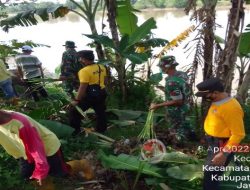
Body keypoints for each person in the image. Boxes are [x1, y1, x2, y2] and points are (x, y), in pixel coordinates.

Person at [195, 78, 245, 190]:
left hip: (222, 145)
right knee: (213, 172)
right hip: (214, 142)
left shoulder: (232, 108)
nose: (205, 98)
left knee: (211, 176)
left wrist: (223, 154)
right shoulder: (217, 101)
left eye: (206, 95)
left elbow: (238, 134)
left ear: (216, 93)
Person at [0, 110, 70, 186]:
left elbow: (36, 149)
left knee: (59, 172)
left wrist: (40, 171)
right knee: (27, 175)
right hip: (24, 151)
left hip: (47, 148)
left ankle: (69, 182)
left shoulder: (20, 123)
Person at [150, 55, 192, 145]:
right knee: (185, 125)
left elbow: (178, 101)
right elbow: (180, 90)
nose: (161, 68)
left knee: (177, 131)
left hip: (176, 111)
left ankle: (180, 148)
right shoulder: (182, 74)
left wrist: (157, 106)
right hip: (186, 106)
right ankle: (191, 140)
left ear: (167, 67)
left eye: (161, 66)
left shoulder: (171, 82)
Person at [69, 50, 107, 135]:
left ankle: (75, 132)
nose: (80, 60)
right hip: (102, 92)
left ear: (85, 59)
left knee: (74, 112)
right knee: (100, 112)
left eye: (81, 58)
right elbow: (105, 80)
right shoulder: (101, 67)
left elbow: (83, 87)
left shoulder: (84, 71)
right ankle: (102, 129)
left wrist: (77, 100)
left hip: (90, 96)